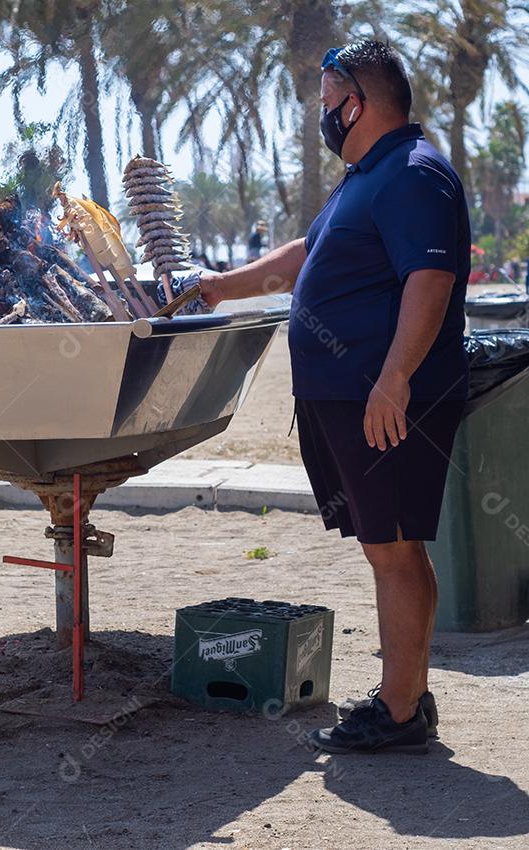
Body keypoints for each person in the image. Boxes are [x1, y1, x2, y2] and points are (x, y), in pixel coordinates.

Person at [199, 40, 469, 755]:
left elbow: (431, 280)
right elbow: (305, 255)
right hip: (351, 398)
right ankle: (407, 695)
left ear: (361, 103)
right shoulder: (368, 177)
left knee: (394, 549)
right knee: (390, 546)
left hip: (383, 399)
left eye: (327, 102)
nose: (321, 115)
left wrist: (394, 378)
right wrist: (223, 286)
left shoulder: (414, 173)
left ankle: (400, 713)